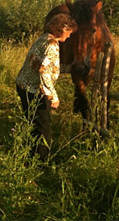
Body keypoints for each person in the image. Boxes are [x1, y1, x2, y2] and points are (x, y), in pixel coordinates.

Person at [16, 13, 77, 161]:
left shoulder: (43, 39)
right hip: (35, 90)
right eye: (69, 33)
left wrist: (70, 68)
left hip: (24, 86)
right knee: (43, 129)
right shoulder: (52, 45)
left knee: (33, 123)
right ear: (63, 28)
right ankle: (40, 163)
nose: (69, 37)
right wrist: (52, 96)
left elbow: (42, 64)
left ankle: (30, 154)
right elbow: (43, 72)